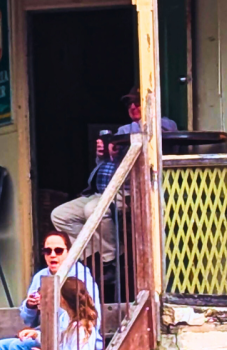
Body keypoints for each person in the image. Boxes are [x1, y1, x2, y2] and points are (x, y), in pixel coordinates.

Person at [50, 87, 177, 264]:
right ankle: (93, 255)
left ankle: (111, 258)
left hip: (129, 193)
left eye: (137, 102)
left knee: (93, 210)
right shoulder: (122, 130)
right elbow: (108, 165)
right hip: (101, 192)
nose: (132, 107)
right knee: (60, 214)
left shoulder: (163, 124)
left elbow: (161, 130)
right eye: (128, 103)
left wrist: (128, 131)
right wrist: (102, 154)